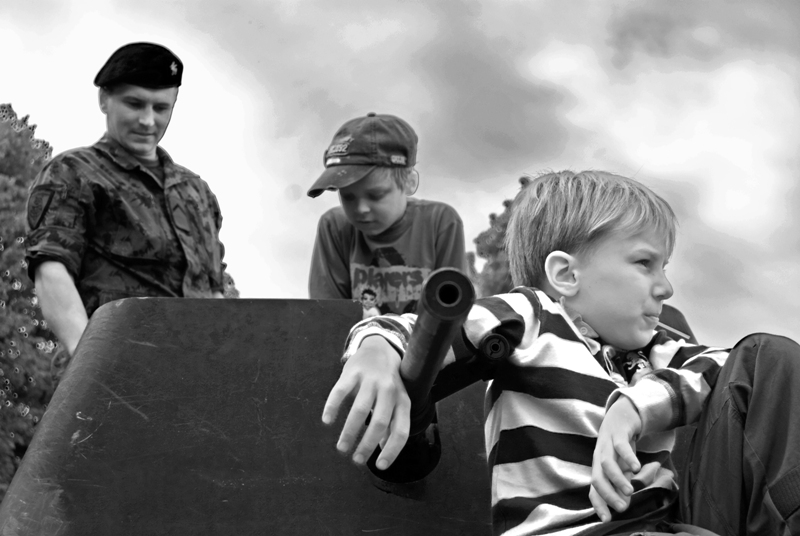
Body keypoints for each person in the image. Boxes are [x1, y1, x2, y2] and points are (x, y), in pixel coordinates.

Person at [321, 170, 800, 536]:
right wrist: (376, 350)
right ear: (567, 275)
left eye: (665, 266)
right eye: (644, 263)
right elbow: (414, 328)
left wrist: (634, 408)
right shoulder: (533, 317)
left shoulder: (659, 351)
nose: (666, 287)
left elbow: (736, 369)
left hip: (669, 525)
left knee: (771, 356)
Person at [25, 42, 226, 377]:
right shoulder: (74, 173)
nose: (148, 120)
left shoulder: (197, 192)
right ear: (104, 99)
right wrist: (92, 365)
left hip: (200, 376)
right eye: (135, 104)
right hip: (116, 375)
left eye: (161, 108)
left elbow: (214, 291)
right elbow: (51, 270)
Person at [307, 112, 467, 316]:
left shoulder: (441, 222)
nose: (361, 208)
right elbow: (327, 315)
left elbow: (451, 313)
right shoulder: (334, 228)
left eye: (376, 195)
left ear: (409, 182)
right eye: (348, 197)